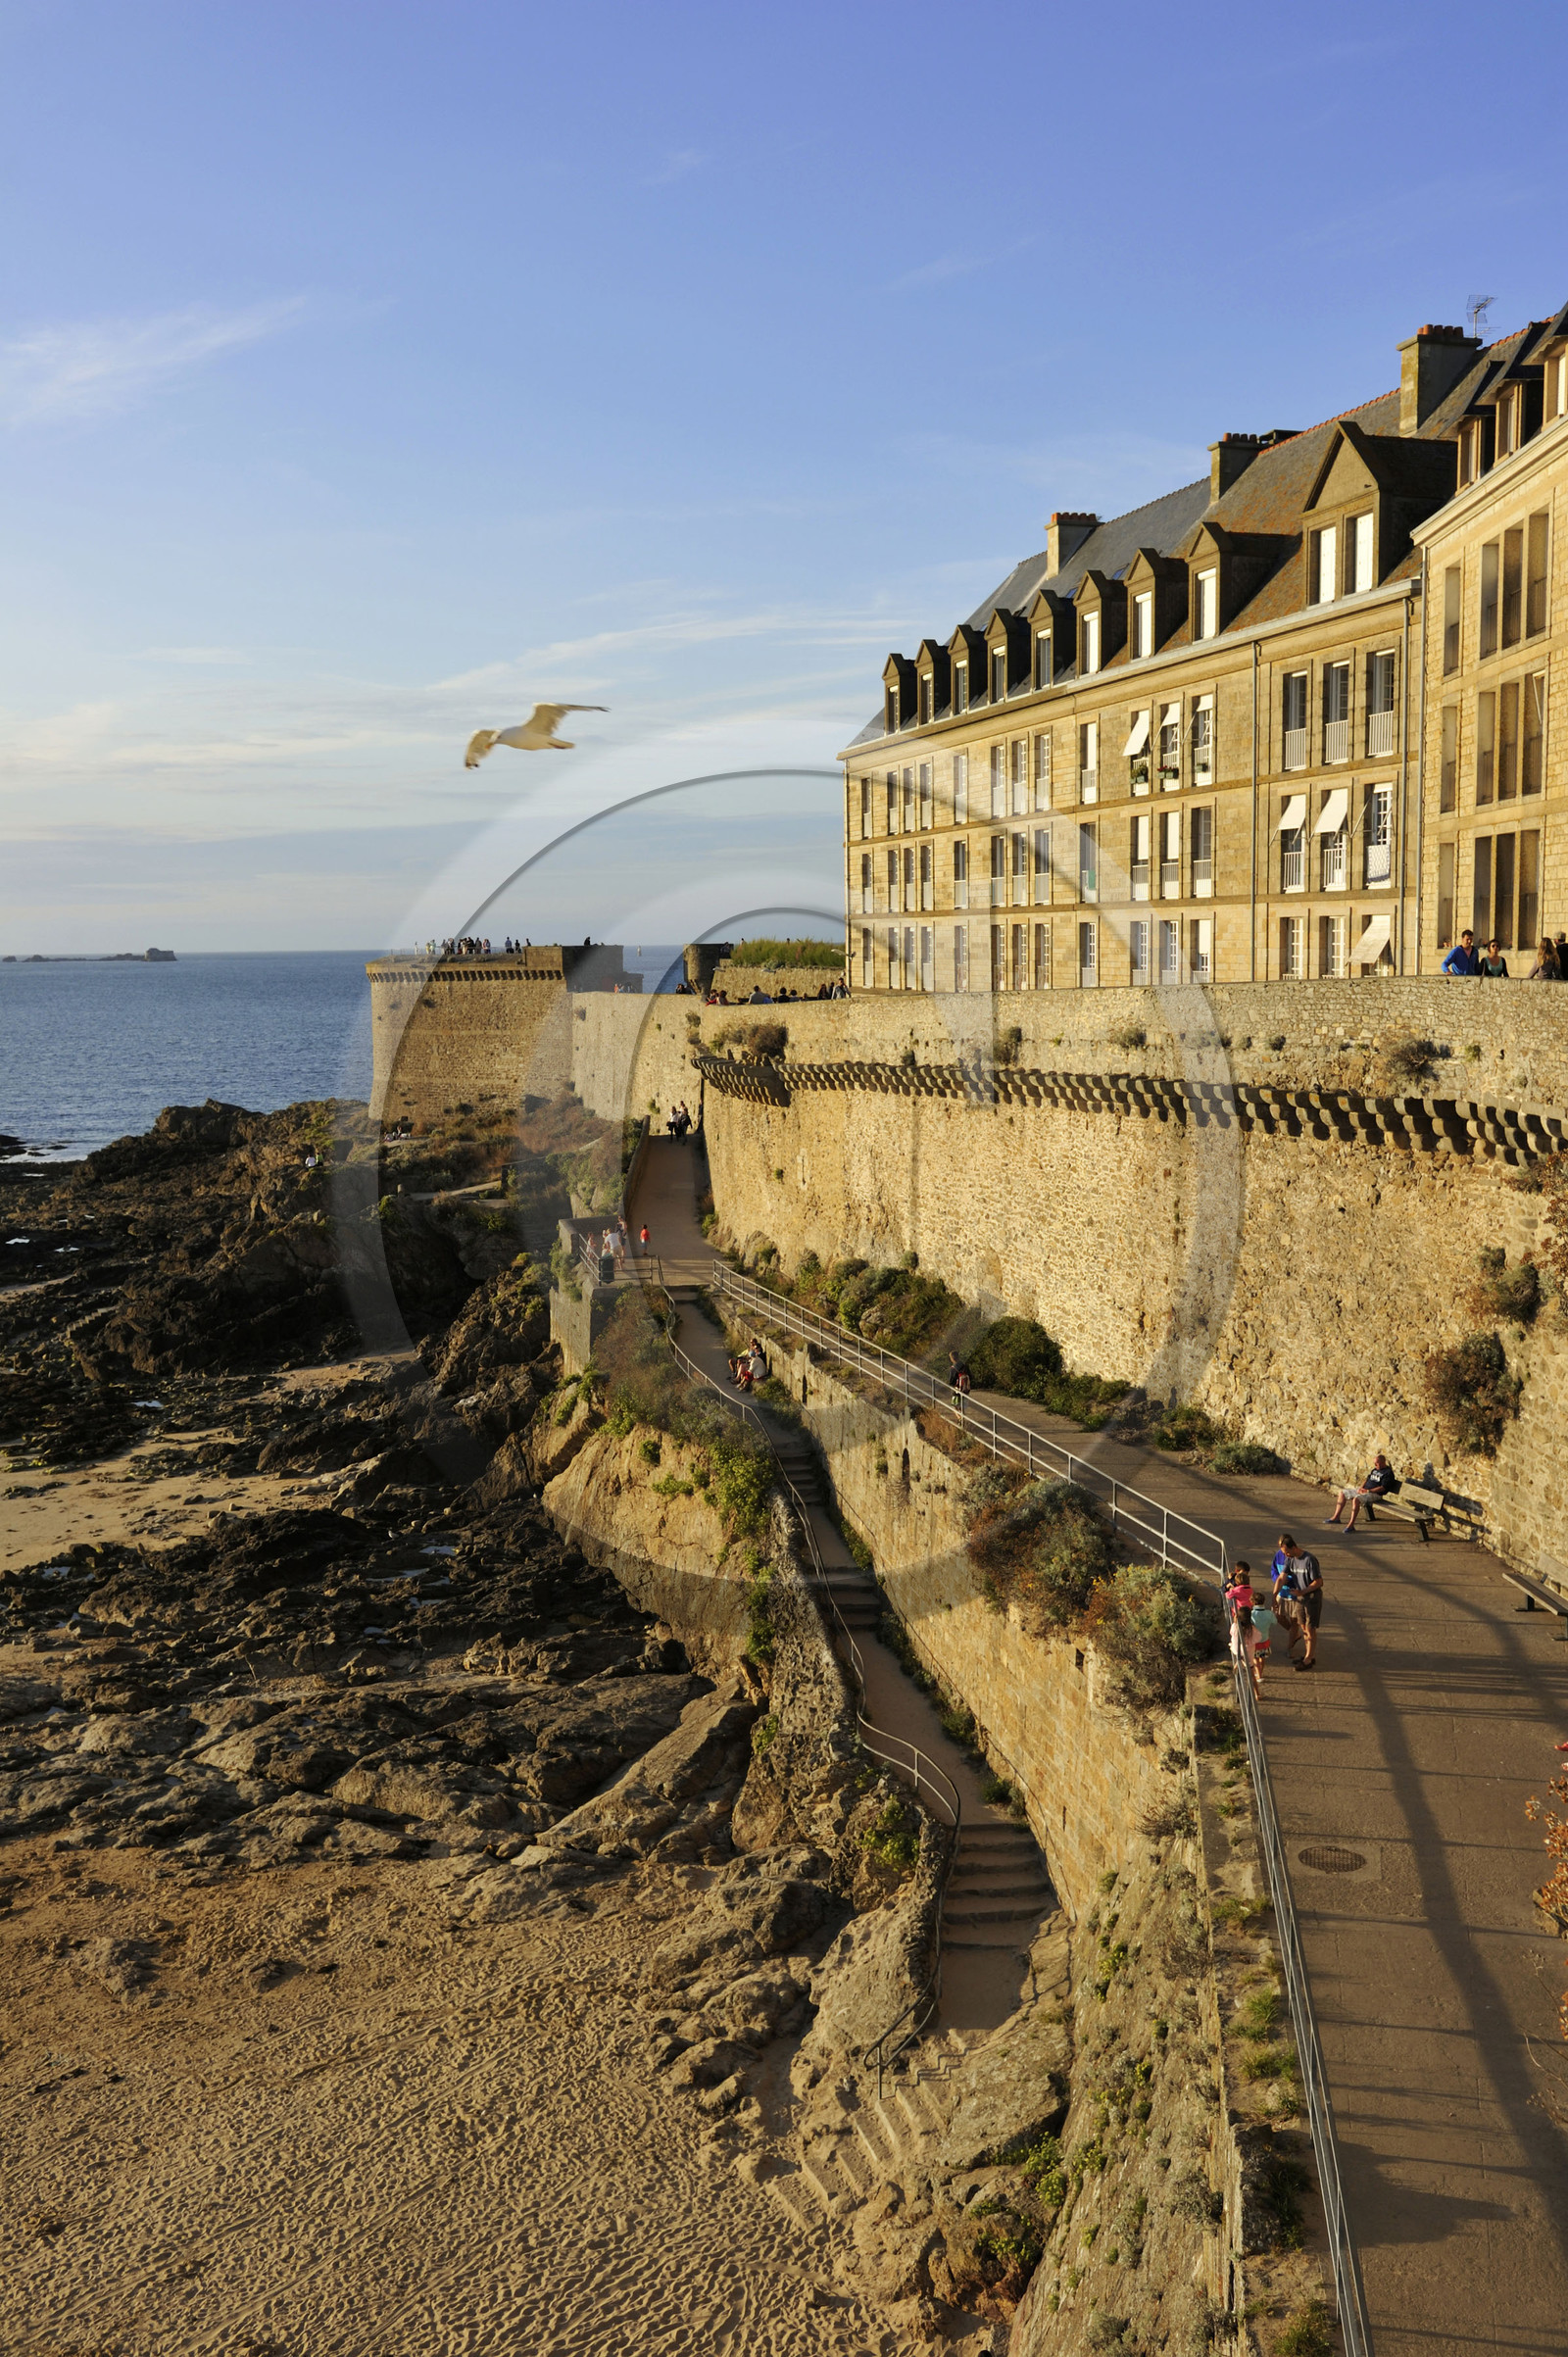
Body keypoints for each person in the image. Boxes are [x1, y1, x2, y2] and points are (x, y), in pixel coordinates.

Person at [1276, 1538, 1323, 1670]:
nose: (1285, 1555)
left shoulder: (1309, 1559)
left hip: (1311, 1598)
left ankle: (1309, 1658)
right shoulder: (1290, 1559)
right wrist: (1275, 1595)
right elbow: (1282, 1577)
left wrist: (1302, 1591)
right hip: (1300, 1598)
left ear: (1294, 1547)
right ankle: (1309, 1654)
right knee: (1303, 1626)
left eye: (1287, 1552)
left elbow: (1318, 1582)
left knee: (1310, 1628)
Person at [1224, 1560, 1265, 1697]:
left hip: (1237, 1649)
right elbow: (1258, 1638)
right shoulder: (1250, 1590)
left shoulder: (1235, 1627)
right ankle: (1257, 1693)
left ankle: (1237, 1663)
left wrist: (1230, 1585)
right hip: (1248, 1655)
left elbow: (1227, 1595)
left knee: (1236, 1646)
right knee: (1251, 1673)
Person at [1326, 1450, 1396, 1531]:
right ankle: (1336, 1517)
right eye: (1374, 1463)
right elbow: (1367, 1480)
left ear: (1383, 1462)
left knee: (1356, 1499)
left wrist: (1368, 1491)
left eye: (1377, 1463)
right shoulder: (1375, 1470)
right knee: (1342, 1493)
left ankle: (1351, 1525)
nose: (1375, 1465)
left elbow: (1383, 1488)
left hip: (1375, 1494)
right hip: (1364, 1490)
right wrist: (1361, 1488)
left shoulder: (1388, 1473)